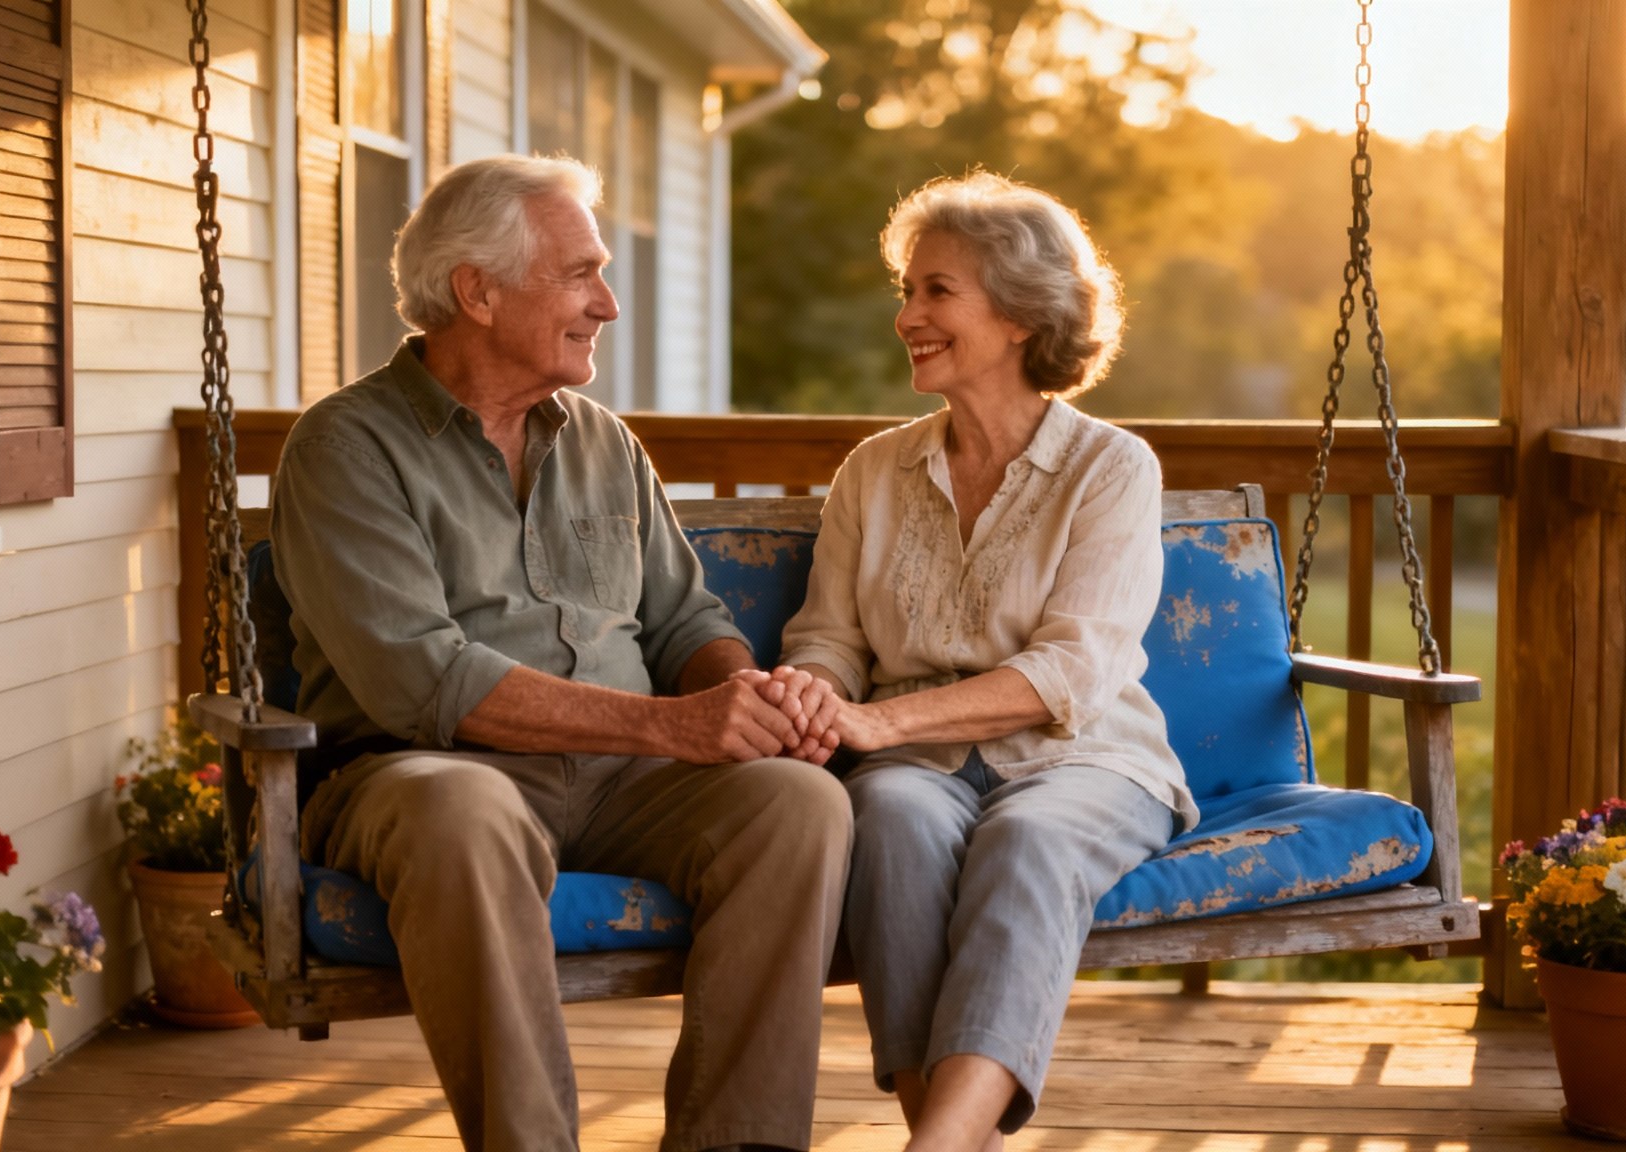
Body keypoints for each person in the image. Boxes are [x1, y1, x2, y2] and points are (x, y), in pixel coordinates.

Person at [269, 153, 852, 1152]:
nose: (608, 305)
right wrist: (671, 724)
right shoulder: (345, 448)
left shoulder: (601, 442)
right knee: (461, 809)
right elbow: (424, 681)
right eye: (580, 273)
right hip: (430, 772)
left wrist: (746, 695)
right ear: (476, 292)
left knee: (796, 803)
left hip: (627, 777)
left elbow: (680, 622)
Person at [767, 173, 1197, 1150]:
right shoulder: (873, 470)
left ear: (1015, 313)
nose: (905, 315)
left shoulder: (1110, 466)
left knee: (1029, 842)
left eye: (934, 291)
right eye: (906, 291)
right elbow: (828, 638)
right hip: (915, 767)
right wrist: (814, 694)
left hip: (1083, 756)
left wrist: (878, 722)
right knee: (890, 818)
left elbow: (1071, 673)